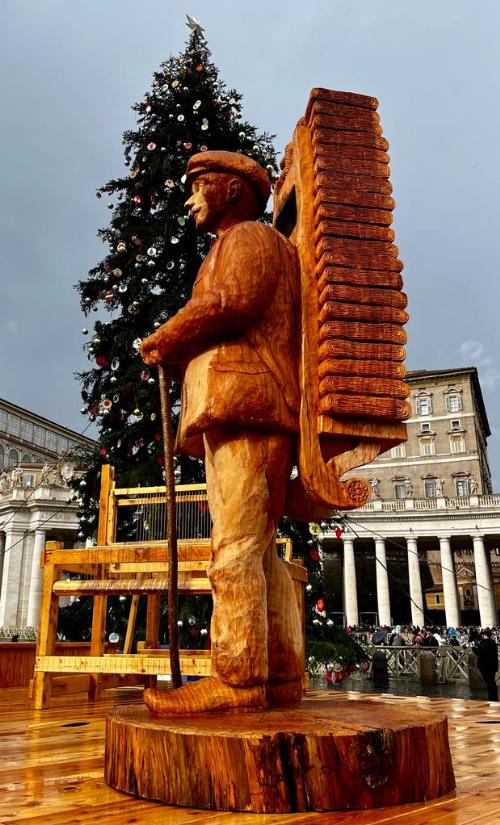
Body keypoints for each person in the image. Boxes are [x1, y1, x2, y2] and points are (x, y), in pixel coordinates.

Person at [140, 151, 303, 715]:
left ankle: (236, 678)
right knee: (259, 552)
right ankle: (279, 675)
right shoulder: (249, 243)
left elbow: (229, 303)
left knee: (234, 549)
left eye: (196, 187)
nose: (188, 200)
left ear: (230, 190)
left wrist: (167, 337)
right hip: (246, 408)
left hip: (247, 406)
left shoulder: (248, 242)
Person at [474, 629, 499, 701]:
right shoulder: (493, 642)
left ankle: (492, 698)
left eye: (482, 635)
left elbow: (479, 652)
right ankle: (494, 697)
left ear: (484, 635)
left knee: (489, 682)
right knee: (492, 681)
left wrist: (473, 648)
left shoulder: (484, 642)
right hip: (493, 665)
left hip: (485, 666)